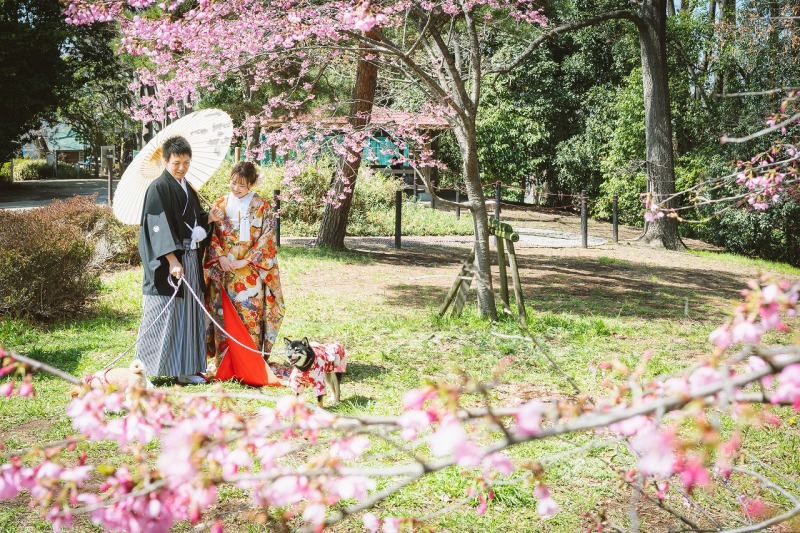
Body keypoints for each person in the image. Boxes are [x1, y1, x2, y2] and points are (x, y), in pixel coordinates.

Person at [137, 136, 224, 384]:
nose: (182, 167)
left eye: (186, 162)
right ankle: (143, 373)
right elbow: (157, 228)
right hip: (169, 263)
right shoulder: (158, 188)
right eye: (176, 162)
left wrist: (208, 218)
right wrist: (172, 260)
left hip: (191, 259)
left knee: (189, 315)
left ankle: (185, 370)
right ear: (165, 161)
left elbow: (193, 219)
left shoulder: (187, 186)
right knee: (161, 314)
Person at [204, 161, 284, 364]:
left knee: (250, 315)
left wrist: (246, 261)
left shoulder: (261, 206)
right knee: (222, 314)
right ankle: (224, 363)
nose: (236, 188)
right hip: (224, 269)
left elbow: (267, 238)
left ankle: (250, 363)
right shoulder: (220, 204)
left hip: (250, 271)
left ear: (251, 184)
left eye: (241, 184)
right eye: (233, 183)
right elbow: (211, 235)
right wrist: (220, 256)